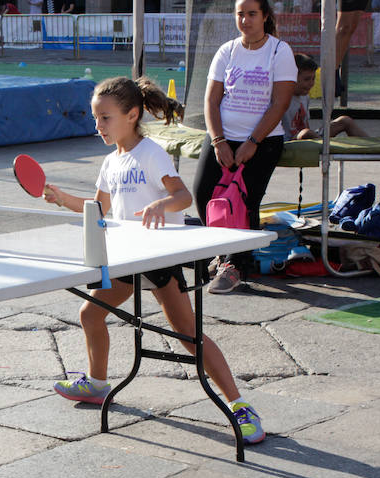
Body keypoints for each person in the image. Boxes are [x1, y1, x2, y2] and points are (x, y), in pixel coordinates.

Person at [43, 76, 266, 445]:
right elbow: (98, 210)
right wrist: (60, 196)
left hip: (158, 257)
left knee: (188, 336)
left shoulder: (150, 153)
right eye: (95, 118)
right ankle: (98, 384)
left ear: (132, 115)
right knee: (90, 313)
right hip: (125, 259)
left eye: (105, 118)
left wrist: (162, 203)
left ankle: (240, 405)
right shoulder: (110, 161)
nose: (98, 125)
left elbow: (182, 197)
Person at [192, 0, 296, 294]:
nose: (246, 20)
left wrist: (253, 142)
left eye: (252, 14)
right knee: (203, 193)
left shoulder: (279, 50)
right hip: (224, 137)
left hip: (263, 141)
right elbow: (211, 100)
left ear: (265, 16)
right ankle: (221, 250)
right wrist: (219, 141)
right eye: (241, 14)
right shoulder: (227, 50)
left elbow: (280, 102)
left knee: (244, 201)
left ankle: (236, 264)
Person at [282, 53, 367, 140]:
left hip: (306, 136)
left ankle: (375, 148)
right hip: (288, 141)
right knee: (306, 133)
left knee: (345, 121)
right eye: (307, 79)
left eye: (313, 79)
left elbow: (305, 124)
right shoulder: (281, 98)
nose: (311, 83)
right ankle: (326, 147)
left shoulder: (305, 97)